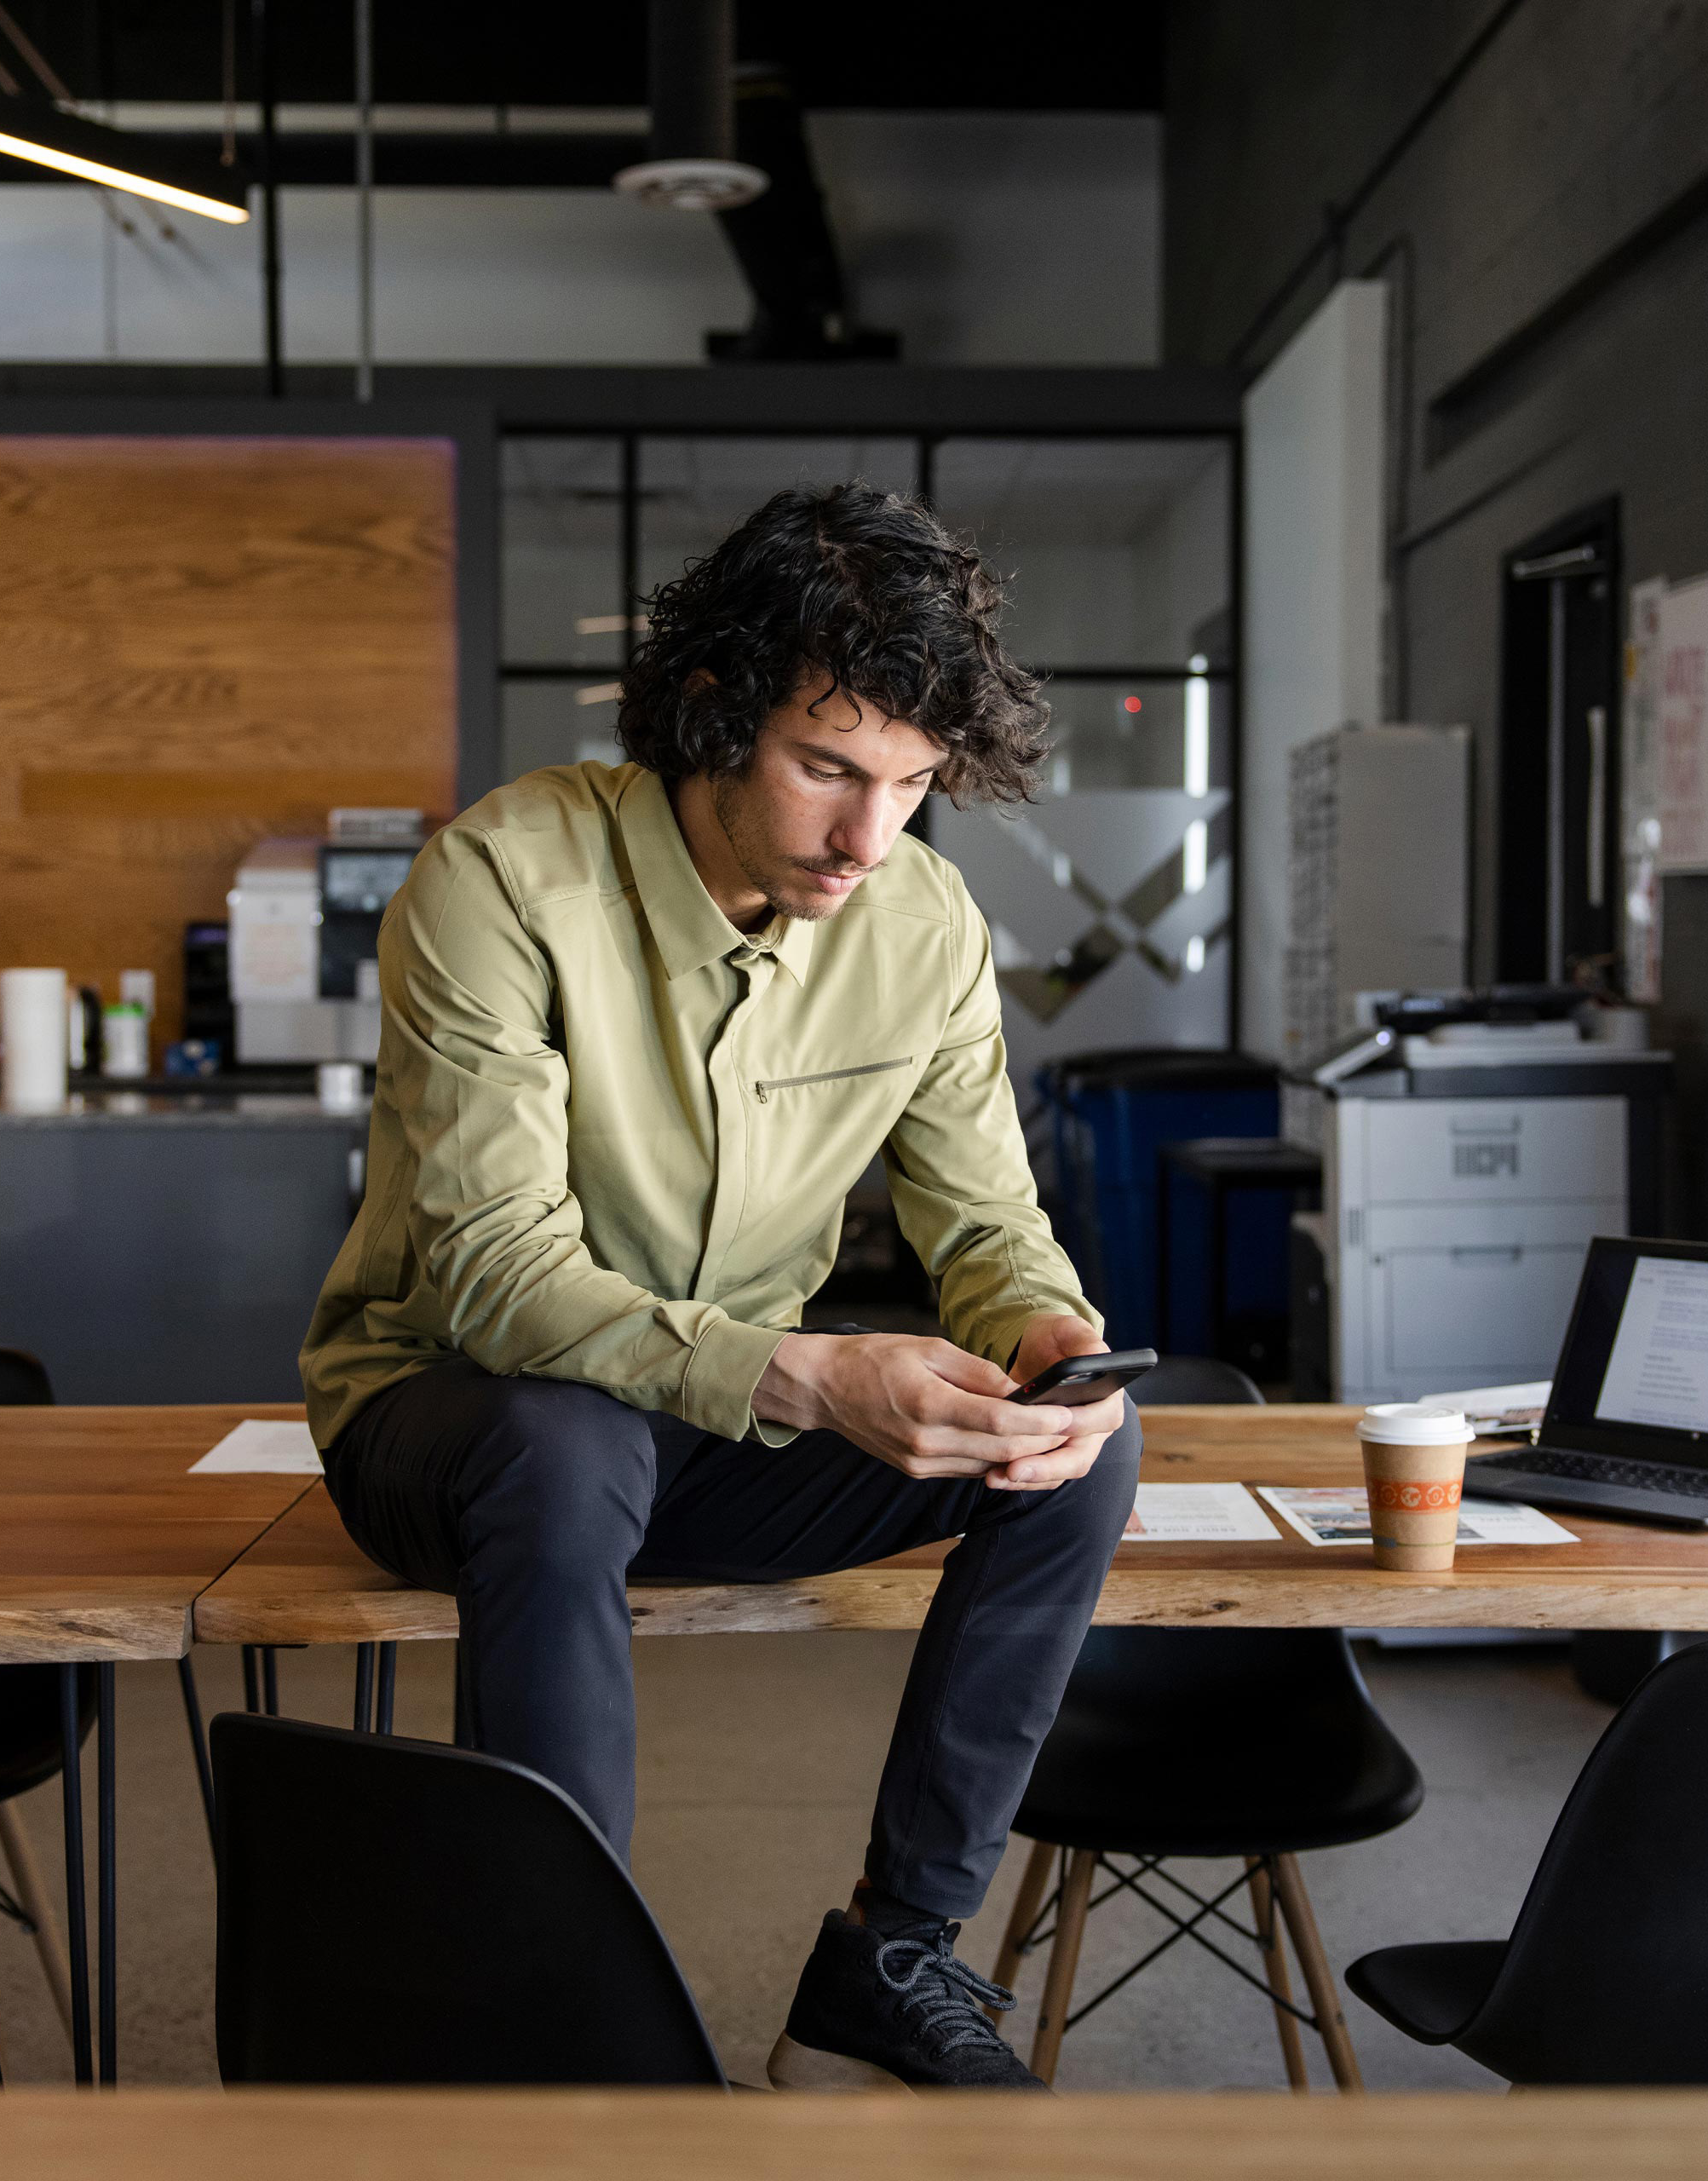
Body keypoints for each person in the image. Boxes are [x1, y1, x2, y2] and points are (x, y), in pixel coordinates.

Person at [300, 484, 1139, 2090]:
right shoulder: (500, 880)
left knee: (1082, 1455)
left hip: (713, 1435)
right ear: (711, 711)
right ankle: (563, 2011)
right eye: (825, 768)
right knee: (564, 1441)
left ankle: (897, 1953)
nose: (865, 837)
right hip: (454, 1431)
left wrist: (1043, 1337)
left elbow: (987, 1225)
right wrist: (816, 1375)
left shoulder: (925, 919)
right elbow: (495, 1277)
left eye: (906, 785)